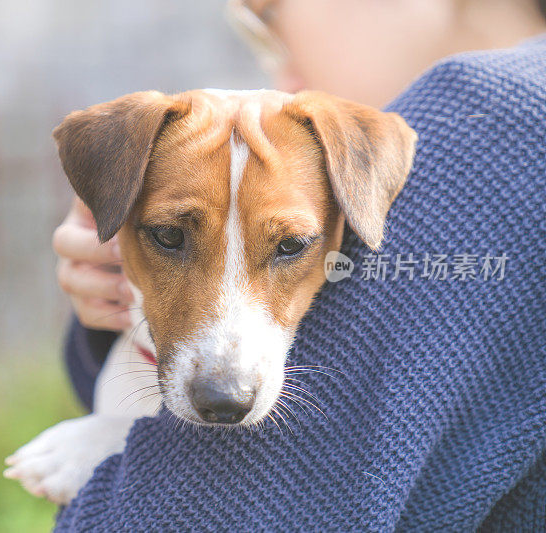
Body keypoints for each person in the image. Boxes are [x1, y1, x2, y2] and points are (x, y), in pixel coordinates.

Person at [50, 0, 546, 529]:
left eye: (267, 13)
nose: (270, 51)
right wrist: (118, 306)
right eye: (171, 235)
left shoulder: (498, 124)